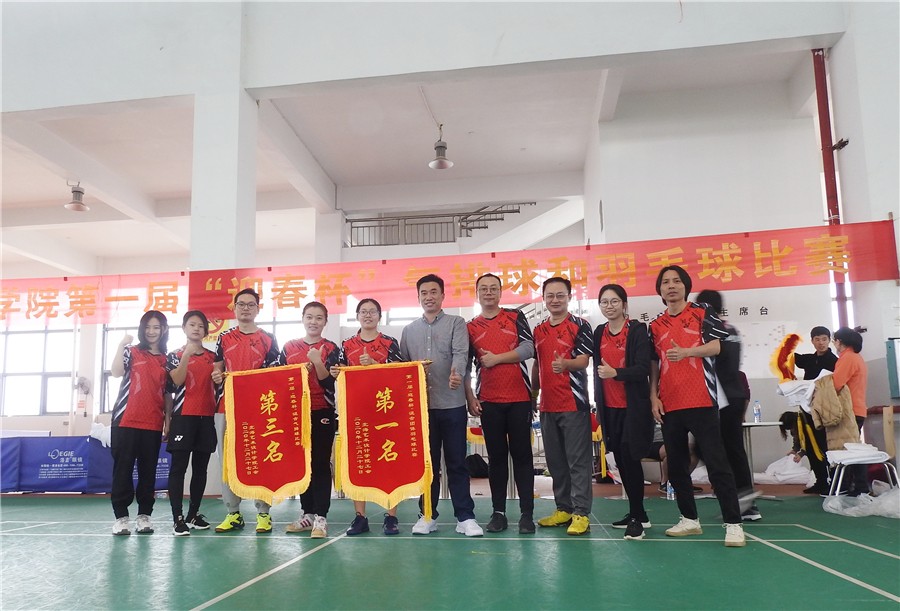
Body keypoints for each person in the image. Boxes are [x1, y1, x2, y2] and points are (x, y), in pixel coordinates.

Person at [648, 265, 745, 547]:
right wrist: (653, 397)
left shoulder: (702, 313)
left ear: (686, 286)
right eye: (665, 282)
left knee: (717, 463)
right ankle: (689, 519)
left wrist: (687, 352)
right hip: (670, 403)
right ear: (660, 290)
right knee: (677, 466)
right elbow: (654, 363)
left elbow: (716, 347)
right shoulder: (655, 325)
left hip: (702, 400)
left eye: (676, 281)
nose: (671, 286)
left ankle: (734, 524)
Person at [400, 274, 483, 537]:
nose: (429, 297)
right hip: (422, 409)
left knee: (457, 462)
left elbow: (461, 354)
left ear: (443, 295)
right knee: (427, 465)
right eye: (424, 293)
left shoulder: (456, 323)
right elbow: (403, 367)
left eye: (434, 292)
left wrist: (456, 373)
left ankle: (465, 517)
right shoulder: (408, 331)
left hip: (453, 404)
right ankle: (427, 515)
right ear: (418, 297)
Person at [464, 273, 536, 535]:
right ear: (477, 294)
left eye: (493, 288)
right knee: (496, 459)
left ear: (500, 291)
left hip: (519, 399)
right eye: (483, 289)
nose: (488, 292)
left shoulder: (516, 316)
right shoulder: (470, 326)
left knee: (523, 457)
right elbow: (464, 366)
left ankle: (527, 514)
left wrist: (498, 359)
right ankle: (498, 513)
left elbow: (529, 348)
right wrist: (470, 396)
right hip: (489, 401)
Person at [331, 298, 404, 536]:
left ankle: (391, 516)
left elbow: (400, 375)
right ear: (357, 316)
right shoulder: (346, 345)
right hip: (357, 411)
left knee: (389, 461)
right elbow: (339, 373)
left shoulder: (390, 343)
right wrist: (336, 372)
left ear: (379, 316)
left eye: (373, 311)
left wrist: (374, 364)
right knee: (359, 462)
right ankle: (360, 516)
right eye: (363, 311)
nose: (368, 315)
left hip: (385, 411)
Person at [211, 288, 280, 534]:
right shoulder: (224, 338)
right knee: (228, 460)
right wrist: (217, 375)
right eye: (241, 304)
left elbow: (274, 375)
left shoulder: (268, 338)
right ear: (235, 308)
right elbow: (217, 369)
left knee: (260, 459)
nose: (246, 308)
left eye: (251, 304)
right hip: (226, 407)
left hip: (257, 409)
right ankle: (233, 513)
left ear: (258, 309)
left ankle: (263, 513)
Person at [532, 277, 594, 536]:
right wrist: (534, 393)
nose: (555, 300)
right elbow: (537, 364)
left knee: (577, 462)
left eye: (560, 295)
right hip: (547, 405)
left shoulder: (580, 325)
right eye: (550, 296)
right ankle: (564, 509)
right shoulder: (538, 330)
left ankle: (581, 513)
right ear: (544, 299)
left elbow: (584, 361)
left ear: (569, 297)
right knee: (556, 462)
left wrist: (566, 364)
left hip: (573, 403)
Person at [592, 284, 654, 540]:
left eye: (614, 301)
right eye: (604, 302)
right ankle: (638, 513)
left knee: (631, 460)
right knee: (620, 459)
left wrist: (615, 373)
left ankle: (637, 518)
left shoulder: (637, 330)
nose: (609, 306)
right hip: (609, 408)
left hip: (633, 408)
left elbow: (642, 369)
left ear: (624, 304)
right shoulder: (599, 332)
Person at [279, 301, 341, 538]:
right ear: (303, 319)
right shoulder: (288, 347)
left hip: (323, 411)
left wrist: (316, 361)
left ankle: (321, 517)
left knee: (320, 463)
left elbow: (329, 382)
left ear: (325, 322)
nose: (313, 322)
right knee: (303, 464)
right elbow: (279, 379)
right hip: (296, 413)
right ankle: (307, 514)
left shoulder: (331, 348)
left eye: (319, 318)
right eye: (309, 317)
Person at [695, 289, 758, 521]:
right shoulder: (732, 330)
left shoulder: (712, 332)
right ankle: (746, 502)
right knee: (734, 450)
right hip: (735, 395)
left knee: (706, 448)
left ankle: (738, 499)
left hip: (719, 398)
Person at [109, 310, 172, 536]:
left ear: (163, 330)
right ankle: (121, 518)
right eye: (147, 327)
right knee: (122, 471)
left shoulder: (167, 360)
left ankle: (144, 515)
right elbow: (116, 372)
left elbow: (167, 393)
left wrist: (168, 419)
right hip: (125, 420)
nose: (151, 331)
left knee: (148, 472)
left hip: (153, 423)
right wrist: (121, 344)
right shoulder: (131, 351)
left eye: (156, 327)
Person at [165, 310, 217, 536]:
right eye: (192, 325)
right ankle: (177, 518)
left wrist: (219, 377)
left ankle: (193, 514)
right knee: (178, 468)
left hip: (206, 418)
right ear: (184, 328)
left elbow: (219, 385)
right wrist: (186, 354)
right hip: (182, 418)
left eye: (200, 326)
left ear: (205, 331)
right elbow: (176, 381)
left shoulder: (213, 357)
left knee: (200, 469)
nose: (196, 328)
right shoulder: (174, 355)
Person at [793, 326, 837, 494]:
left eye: (824, 339)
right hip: (807, 409)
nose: (821, 343)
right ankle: (820, 481)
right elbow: (789, 357)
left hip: (826, 410)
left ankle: (833, 482)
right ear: (812, 341)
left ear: (829, 340)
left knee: (826, 445)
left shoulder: (834, 360)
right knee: (810, 445)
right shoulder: (809, 359)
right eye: (817, 339)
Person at [832, 327, 869, 495]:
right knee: (853, 448)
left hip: (849, 411)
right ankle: (856, 487)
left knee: (849, 450)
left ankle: (857, 487)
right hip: (857, 409)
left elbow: (836, 384)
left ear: (839, 342)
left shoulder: (847, 358)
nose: (834, 344)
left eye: (834, 341)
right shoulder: (857, 357)